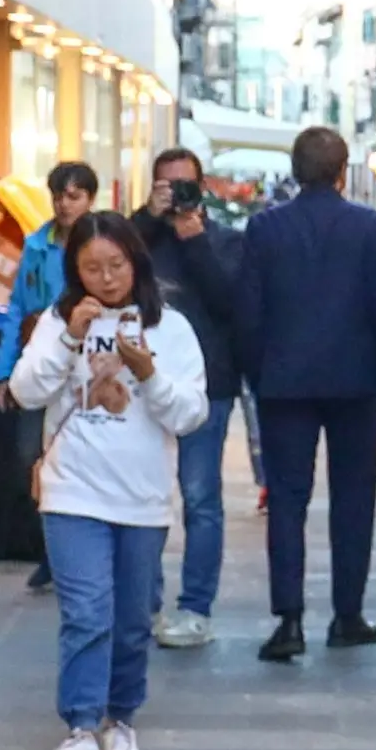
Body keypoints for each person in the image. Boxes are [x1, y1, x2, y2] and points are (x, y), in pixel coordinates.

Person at [5, 208, 210, 750]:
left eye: (116, 265)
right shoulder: (58, 320)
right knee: (86, 613)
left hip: (141, 496)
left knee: (130, 620)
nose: (106, 278)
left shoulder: (170, 327)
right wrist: (69, 335)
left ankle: (122, 719)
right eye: (91, 268)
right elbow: (25, 391)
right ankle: (80, 728)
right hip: (73, 490)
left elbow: (190, 414)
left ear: (135, 262)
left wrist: (148, 375)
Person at [235, 125, 376, 663]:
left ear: (293, 170)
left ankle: (288, 620)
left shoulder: (264, 229)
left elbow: (250, 313)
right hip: (356, 383)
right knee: (353, 500)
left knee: (287, 500)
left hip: (284, 383)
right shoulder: (372, 228)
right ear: (342, 172)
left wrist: (260, 371)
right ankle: (347, 615)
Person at [133, 147, 247, 649]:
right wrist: (147, 220)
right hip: (143, 385)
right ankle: (146, 603)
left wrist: (196, 242)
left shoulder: (223, 241)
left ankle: (196, 607)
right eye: (167, 185)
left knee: (201, 500)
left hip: (208, 385)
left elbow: (231, 303)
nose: (177, 194)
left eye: (185, 185)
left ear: (201, 190)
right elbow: (109, 273)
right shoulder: (138, 243)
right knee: (145, 496)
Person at [0, 162, 102, 590]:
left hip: (85, 368)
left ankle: (76, 552)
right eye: (58, 194)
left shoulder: (99, 244)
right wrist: (3, 370)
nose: (64, 203)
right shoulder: (37, 246)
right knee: (30, 457)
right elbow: (17, 308)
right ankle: (51, 551)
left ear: (89, 199)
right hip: (40, 363)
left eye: (73, 195)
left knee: (81, 457)